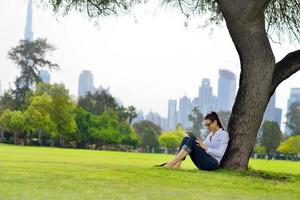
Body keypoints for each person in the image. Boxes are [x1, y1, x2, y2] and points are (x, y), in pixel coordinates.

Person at [160, 111, 229, 171]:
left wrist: (206, 148)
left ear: (215, 122)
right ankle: (177, 164)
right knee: (186, 139)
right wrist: (199, 143)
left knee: (192, 139)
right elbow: (202, 146)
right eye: (206, 125)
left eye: (208, 124)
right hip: (203, 160)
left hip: (212, 163)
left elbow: (221, 154)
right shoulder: (210, 134)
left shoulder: (224, 135)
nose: (207, 127)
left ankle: (171, 163)